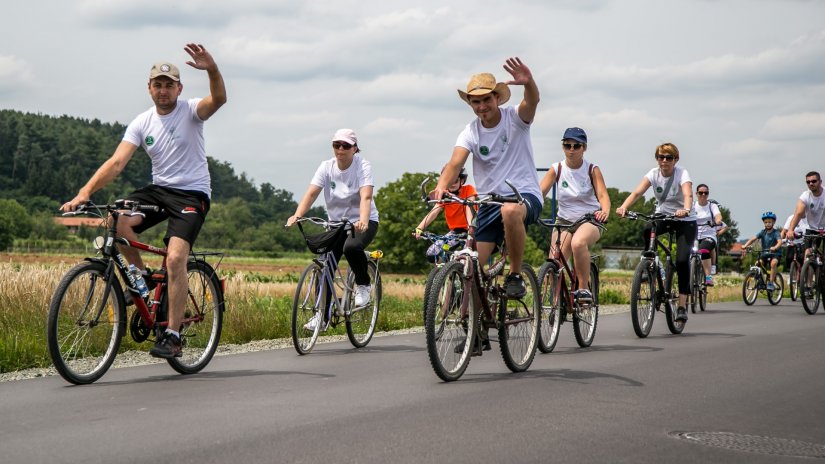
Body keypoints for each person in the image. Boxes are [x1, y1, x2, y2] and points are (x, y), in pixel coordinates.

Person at [61, 43, 227, 359]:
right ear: (149, 88)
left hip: (192, 194)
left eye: (169, 85)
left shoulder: (191, 111)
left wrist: (212, 69)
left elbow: (218, 99)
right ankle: (141, 281)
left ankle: (173, 335)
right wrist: (84, 193)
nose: (163, 91)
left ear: (179, 88)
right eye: (157, 85)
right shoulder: (142, 122)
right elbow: (116, 163)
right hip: (158, 190)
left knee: (176, 258)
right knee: (115, 218)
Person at [432, 57, 543, 299]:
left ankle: (514, 275)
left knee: (511, 211)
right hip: (490, 202)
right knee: (472, 267)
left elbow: (532, 101)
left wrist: (529, 82)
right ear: (470, 103)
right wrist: (441, 187)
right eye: (476, 101)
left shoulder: (515, 119)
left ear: (496, 98)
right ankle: (476, 326)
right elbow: (455, 163)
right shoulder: (471, 131)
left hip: (524, 196)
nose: (482, 106)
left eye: (486, 99)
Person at [286, 128, 379, 331]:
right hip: (336, 224)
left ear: (355, 148)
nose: (340, 149)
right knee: (324, 266)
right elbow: (311, 193)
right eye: (336, 145)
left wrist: (362, 220)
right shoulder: (326, 167)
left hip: (363, 221)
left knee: (352, 247)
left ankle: (363, 284)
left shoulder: (362, 166)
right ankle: (322, 316)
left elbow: (366, 196)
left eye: (345, 145)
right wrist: (297, 215)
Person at [616, 142, 696, 323]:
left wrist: (686, 208)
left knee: (682, 260)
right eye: (661, 157)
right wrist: (623, 207)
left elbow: (688, 194)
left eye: (669, 158)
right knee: (647, 227)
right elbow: (637, 192)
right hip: (664, 215)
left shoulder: (682, 174)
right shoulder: (653, 174)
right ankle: (650, 263)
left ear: (676, 159)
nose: (664, 161)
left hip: (684, 220)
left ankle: (682, 306)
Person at [539, 127, 610, 301]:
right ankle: (553, 301)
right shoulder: (556, 169)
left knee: (578, 243)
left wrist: (605, 211)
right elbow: (540, 193)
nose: (571, 149)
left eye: (576, 146)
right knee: (555, 258)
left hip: (589, 220)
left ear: (584, 148)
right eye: (567, 145)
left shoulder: (592, 169)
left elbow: (603, 196)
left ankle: (583, 289)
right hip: (564, 220)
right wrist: (528, 208)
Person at [414, 167, 477, 262]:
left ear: (462, 180)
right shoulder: (444, 195)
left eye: (455, 181)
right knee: (432, 254)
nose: (451, 184)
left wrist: (470, 228)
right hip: (456, 232)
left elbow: (469, 206)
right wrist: (419, 228)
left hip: (473, 229)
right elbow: (434, 212)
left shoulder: (468, 189)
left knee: (467, 257)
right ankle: (449, 270)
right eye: (449, 181)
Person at [692, 184, 727, 286]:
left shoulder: (712, 206)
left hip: (708, 236)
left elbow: (718, 215)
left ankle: (708, 277)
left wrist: (718, 220)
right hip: (694, 236)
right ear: (696, 194)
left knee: (704, 250)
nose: (703, 195)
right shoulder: (693, 205)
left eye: (705, 193)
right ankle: (690, 275)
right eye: (700, 193)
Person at [742, 212, 782, 290]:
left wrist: (775, 247)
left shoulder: (776, 232)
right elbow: (753, 239)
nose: (767, 224)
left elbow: (780, 241)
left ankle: (770, 283)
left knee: (773, 264)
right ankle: (760, 281)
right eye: (766, 222)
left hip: (775, 254)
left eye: (769, 222)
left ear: (773, 222)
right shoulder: (762, 232)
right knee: (758, 263)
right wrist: (745, 245)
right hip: (765, 253)